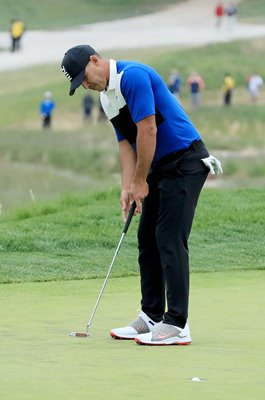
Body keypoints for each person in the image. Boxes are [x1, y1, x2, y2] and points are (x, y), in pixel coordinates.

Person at [61, 45, 222, 346]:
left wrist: (140, 181)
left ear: (95, 60)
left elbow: (147, 130)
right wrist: (128, 187)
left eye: (84, 77)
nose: (85, 84)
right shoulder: (106, 97)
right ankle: (151, 316)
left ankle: (176, 323)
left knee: (169, 237)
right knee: (147, 237)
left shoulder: (131, 76)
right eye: (79, 83)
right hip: (158, 165)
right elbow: (127, 145)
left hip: (185, 161)